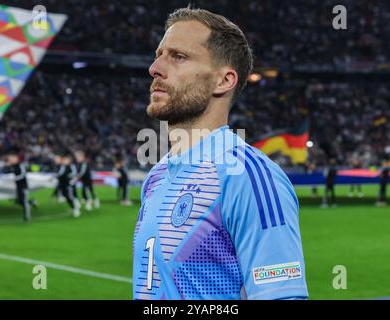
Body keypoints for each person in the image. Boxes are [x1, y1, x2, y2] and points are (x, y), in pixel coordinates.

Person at [132, 7, 308, 300]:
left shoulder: (249, 175)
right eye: (159, 54)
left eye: (178, 56)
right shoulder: (156, 177)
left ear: (223, 81)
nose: (155, 68)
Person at [1, 150, 37, 221]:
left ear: (16, 158)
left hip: (23, 186)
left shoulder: (21, 165)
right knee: (19, 201)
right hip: (18, 187)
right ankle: (32, 202)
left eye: (11, 158)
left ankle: (27, 216)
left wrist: (14, 178)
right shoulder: (11, 166)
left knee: (23, 201)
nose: (10, 159)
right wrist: (5, 166)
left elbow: (23, 174)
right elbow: (3, 173)